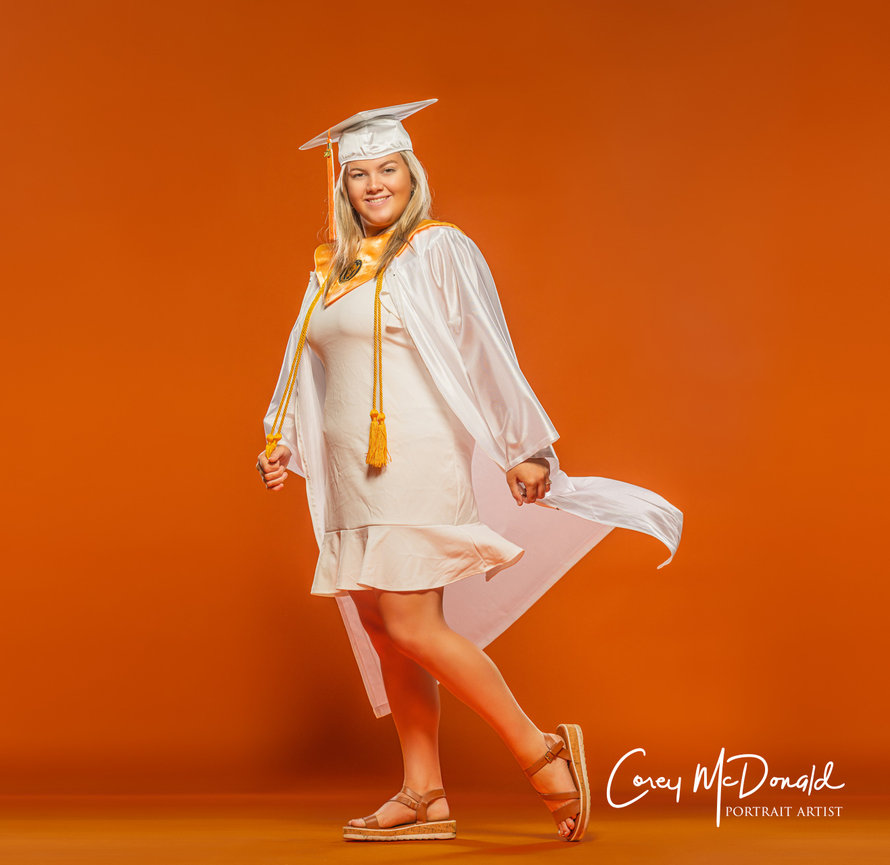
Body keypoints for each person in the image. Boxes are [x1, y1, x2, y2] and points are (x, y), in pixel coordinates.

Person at [255, 99, 683, 844]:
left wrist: (524, 443)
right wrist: (281, 442)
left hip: (411, 458)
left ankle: (540, 748)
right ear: (342, 185)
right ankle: (423, 793)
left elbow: (485, 345)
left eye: (388, 168)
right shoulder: (332, 269)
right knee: (383, 628)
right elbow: (305, 366)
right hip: (351, 469)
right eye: (359, 173)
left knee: (412, 622)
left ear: (410, 174)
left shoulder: (436, 249)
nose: (375, 184)